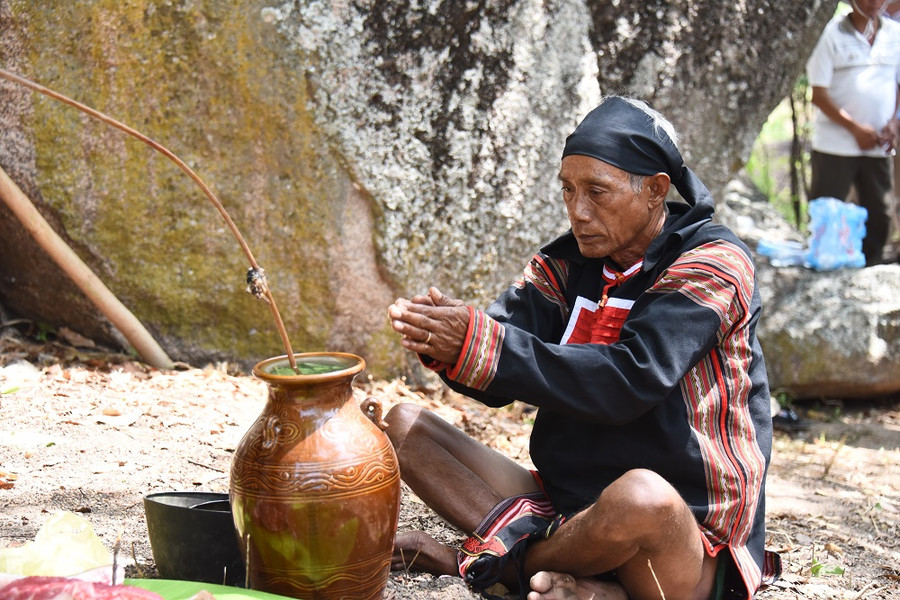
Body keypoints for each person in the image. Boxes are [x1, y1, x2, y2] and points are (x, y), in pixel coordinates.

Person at [386, 96, 780, 600]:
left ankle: (497, 564)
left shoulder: (714, 262)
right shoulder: (567, 263)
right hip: (570, 506)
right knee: (404, 427)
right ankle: (574, 578)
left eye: (597, 191)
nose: (578, 211)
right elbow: (501, 361)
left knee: (642, 496)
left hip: (678, 532)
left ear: (657, 191)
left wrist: (485, 343)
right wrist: (452, 341)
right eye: (568, 190)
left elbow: (629, 380)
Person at [806, 0, 900, 266]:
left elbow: (895, 84)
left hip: (878, 145)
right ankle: (823, 273)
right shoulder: (830, 34)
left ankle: (870, 269)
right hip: (835, 146)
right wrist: (855, 129)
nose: (873, 3)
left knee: (880, 216)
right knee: (828, 216)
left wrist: (893, 123)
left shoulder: (895, 35)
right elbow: (819, 95)